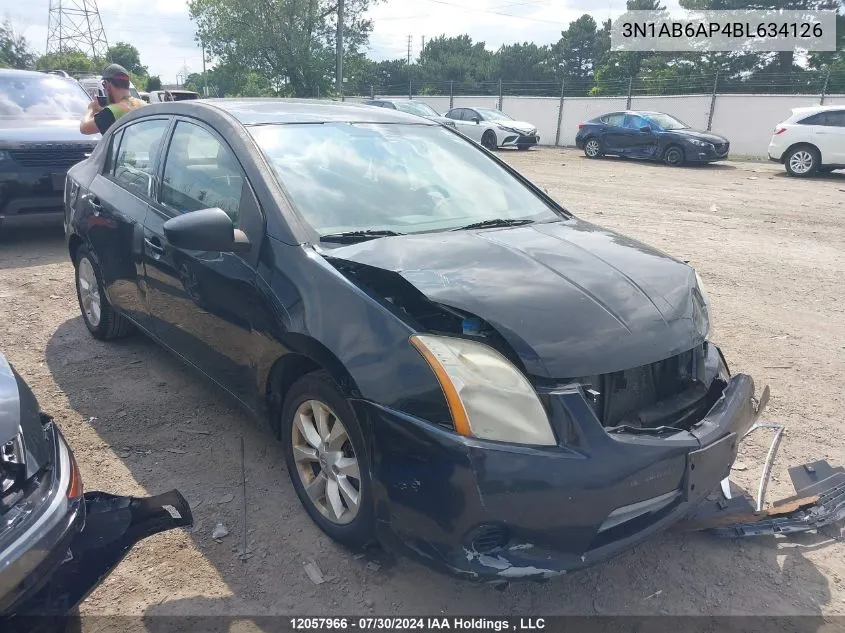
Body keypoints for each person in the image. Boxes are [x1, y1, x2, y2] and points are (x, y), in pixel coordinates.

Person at [79, 64, 146, 135]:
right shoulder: (143, 105)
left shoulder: (111, 112)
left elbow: (84, 128)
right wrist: (102, 110)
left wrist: (91, 109)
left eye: (104, 84)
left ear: (107, 84)